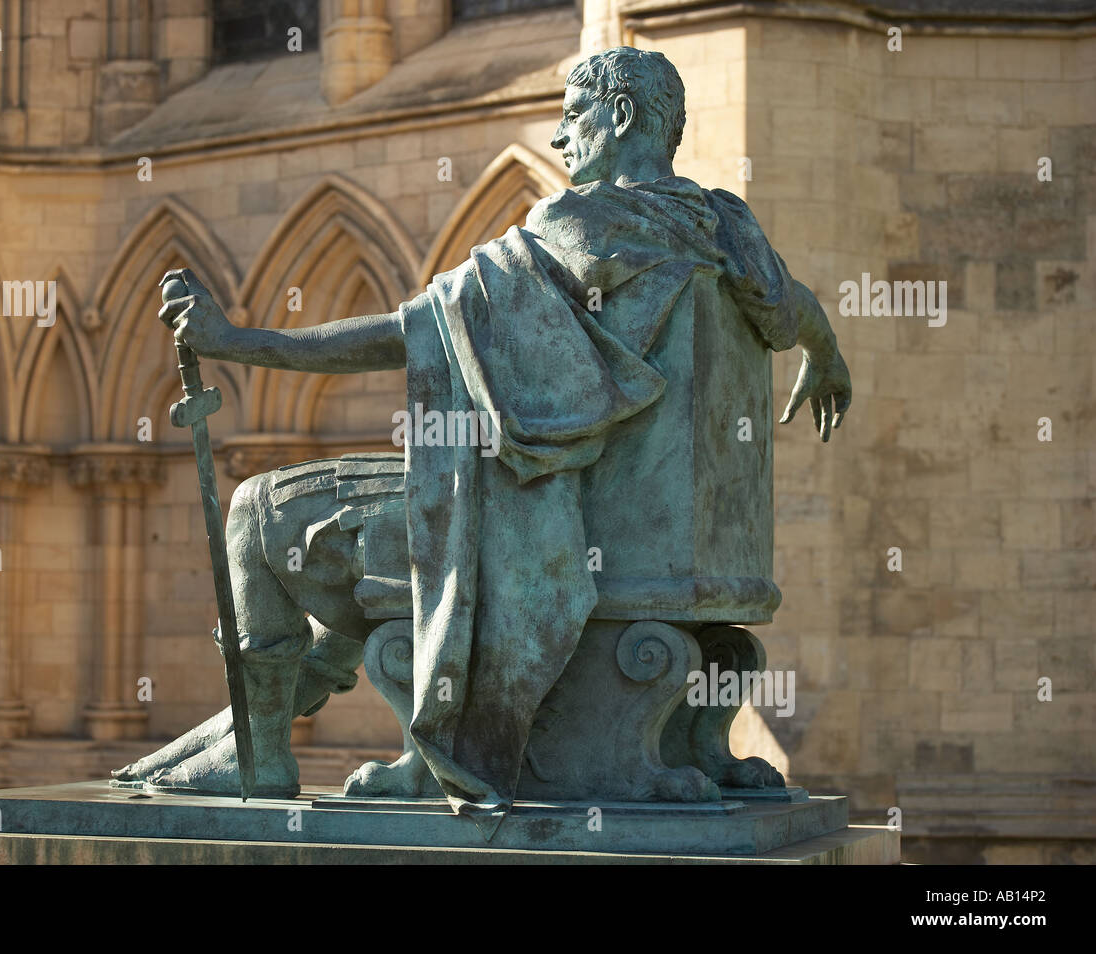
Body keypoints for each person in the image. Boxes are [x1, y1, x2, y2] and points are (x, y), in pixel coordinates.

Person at [115, 47, 851, 828]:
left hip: (550, 531)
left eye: (573, 116)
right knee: (383, 510)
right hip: (658, 552)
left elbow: (408, 331)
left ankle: (259, 750)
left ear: (623, 117)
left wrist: (243, 342)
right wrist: (827, 355)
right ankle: (280, 717)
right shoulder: (724, 227)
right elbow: (790, 303)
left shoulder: (576, 226)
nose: (561, 138)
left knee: (262, 506)